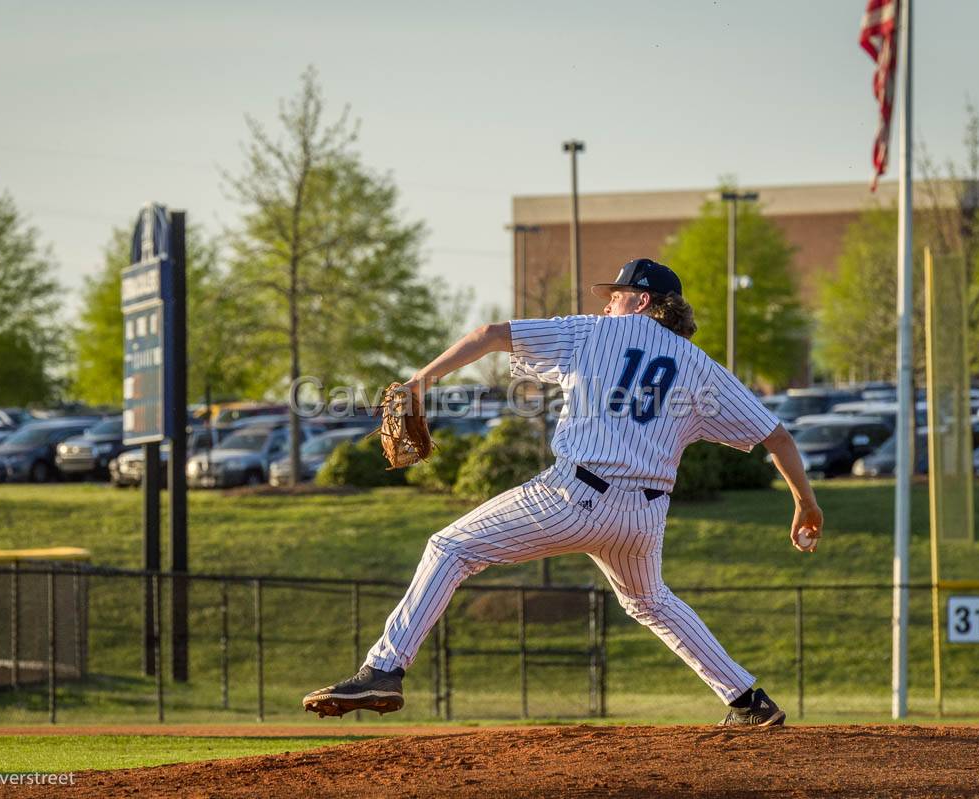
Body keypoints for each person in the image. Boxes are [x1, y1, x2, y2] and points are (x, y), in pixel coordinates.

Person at [303, 257, 823, 727]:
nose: (608, 300)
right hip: (643, 517)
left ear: (642, 301)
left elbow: (490, 333)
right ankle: (746, 701)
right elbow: (775, 436)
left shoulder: (592, 334)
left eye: (617, 293)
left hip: (576, 496)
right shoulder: (701, 367)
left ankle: (383, 668)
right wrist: (805, 502)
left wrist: (421, 380)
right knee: (650, 600)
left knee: (450, 548)